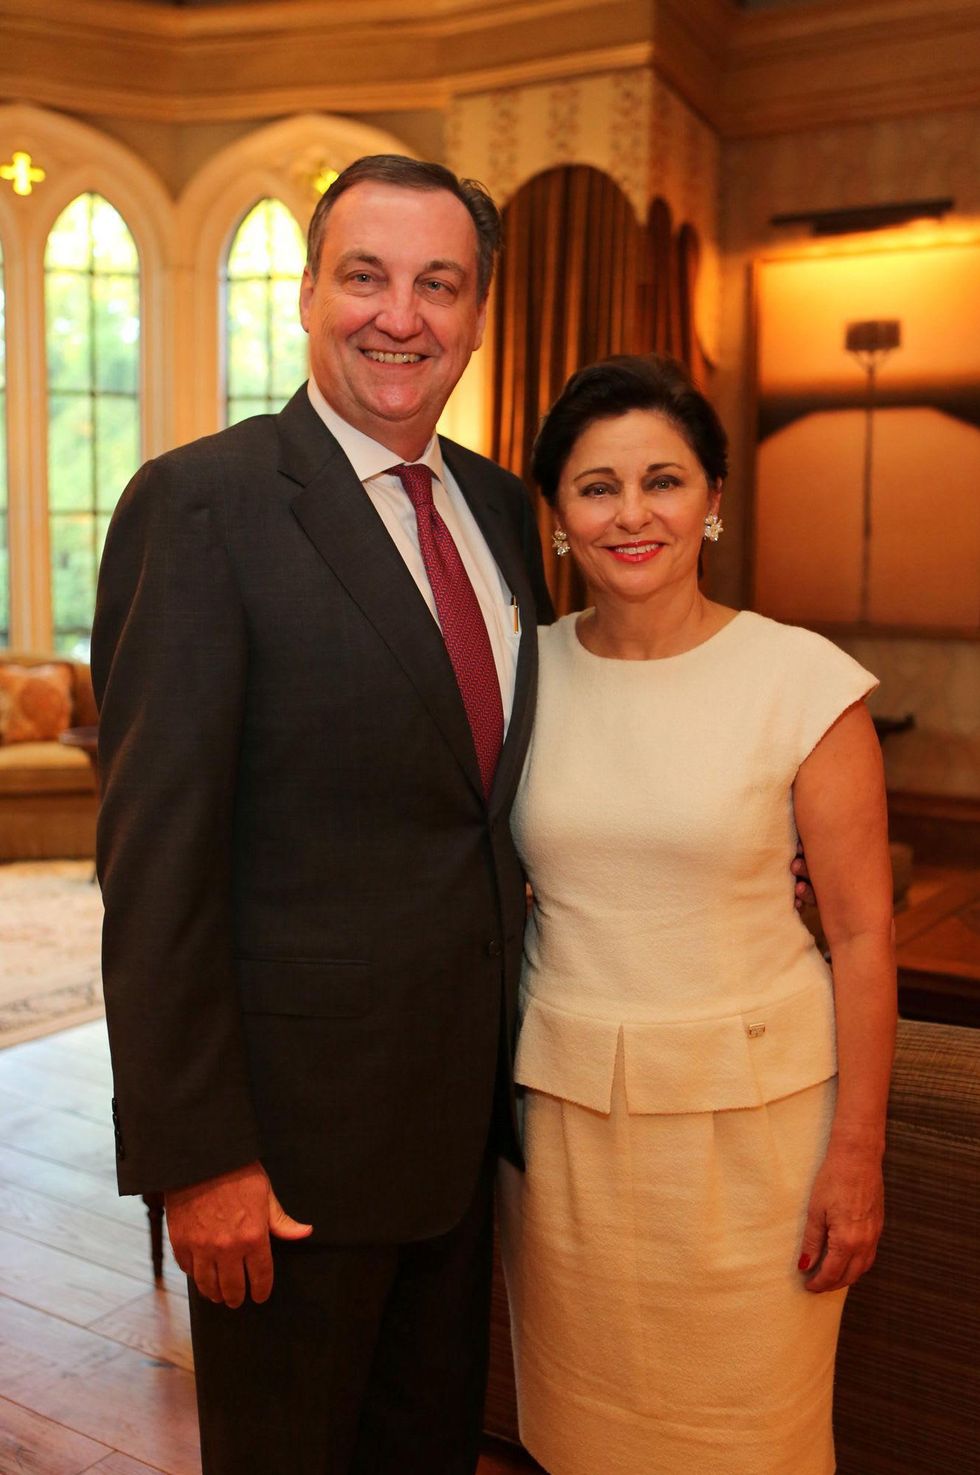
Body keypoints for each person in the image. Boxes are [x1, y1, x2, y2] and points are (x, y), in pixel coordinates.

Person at [91, 154, 553, 1475]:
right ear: (306, 293)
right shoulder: (204, 505)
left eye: (438, 283)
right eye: (366, 275)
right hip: (285, 1163)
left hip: (466, 1140)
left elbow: (506, 793)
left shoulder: (507, 509)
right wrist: (200, 1157)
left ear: (475, 313)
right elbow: (156, 864)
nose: (399, 314)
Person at [498, 354, 896, 1475]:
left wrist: (856, 1157)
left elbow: (862, 936)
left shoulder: (800, 680)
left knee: (749, 1439)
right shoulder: (517, 677)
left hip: (757, 1141)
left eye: (662, 480)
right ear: (559, 516)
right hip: (566, 1135)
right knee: (578, 1439)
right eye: (595, 486)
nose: (632, 513)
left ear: (712, 498)